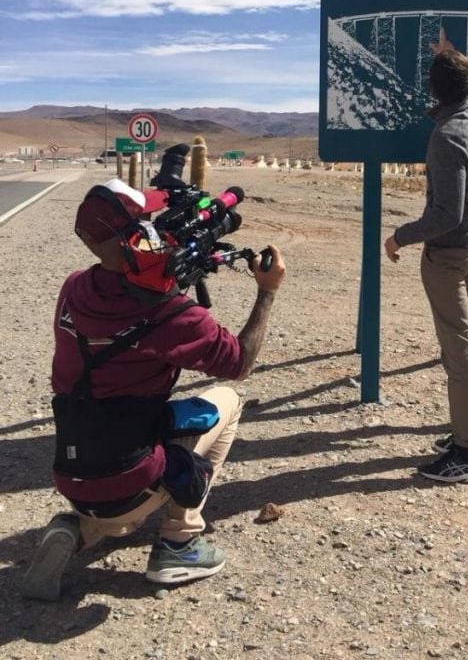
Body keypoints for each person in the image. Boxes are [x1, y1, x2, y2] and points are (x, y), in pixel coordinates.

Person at [22, 178, 285, 601]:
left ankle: (79, 529)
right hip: (131, 471)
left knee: (117, 479)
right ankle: (179, 542)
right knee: (228, 401)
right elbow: (239, 363)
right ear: (138, 236)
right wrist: (267, 292)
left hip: (73, 471)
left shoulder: (74, 289)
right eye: (148, 222)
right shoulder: (171, 315)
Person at [384, 44, 468, 484]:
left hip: (448, 255)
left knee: (458, 350)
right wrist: (452, 57)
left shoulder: (448, 136)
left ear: (435, 91)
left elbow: (445, 215)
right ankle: (462, 435)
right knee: (459, 345)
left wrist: (399, 236)